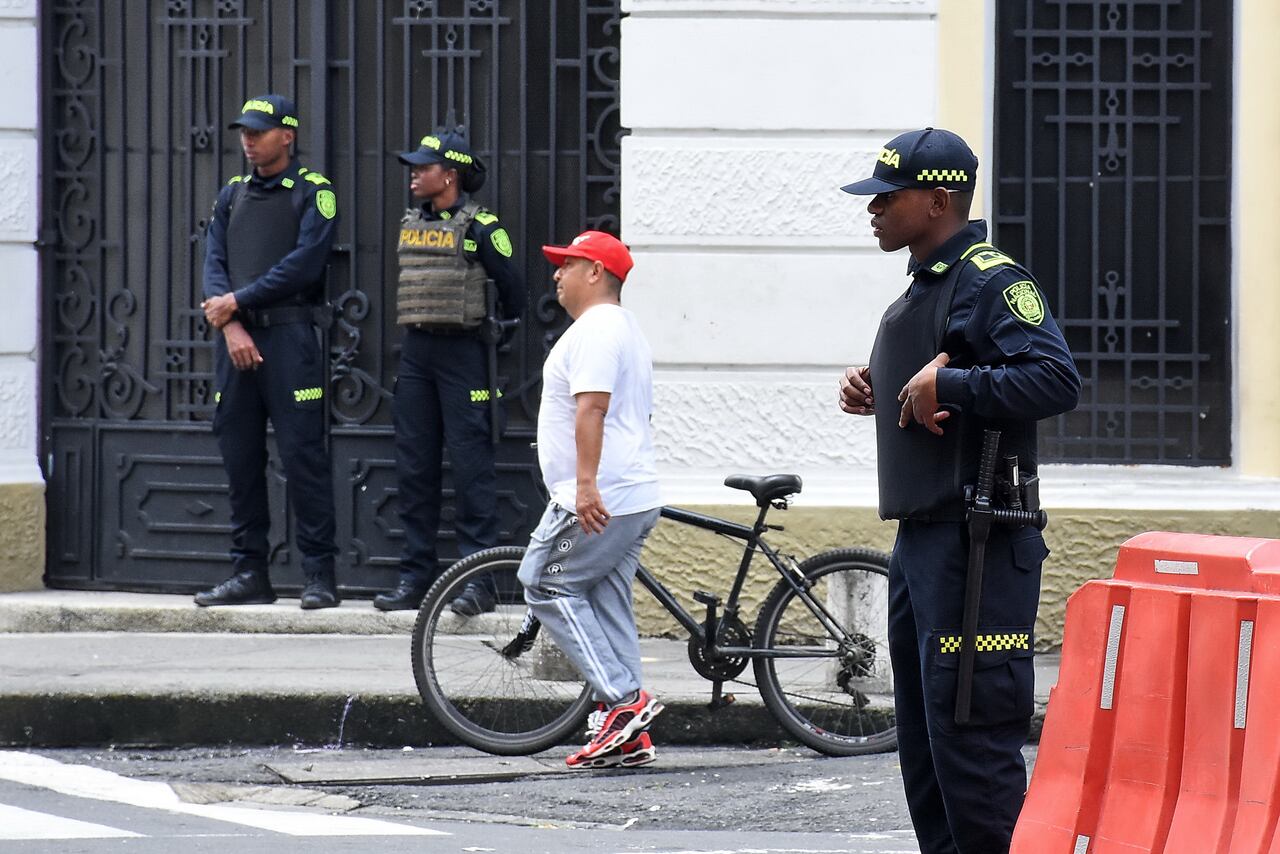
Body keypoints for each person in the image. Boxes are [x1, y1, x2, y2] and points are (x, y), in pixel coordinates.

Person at [837, 128, 1081, 853]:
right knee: (928, 751)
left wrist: (953, 382)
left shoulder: (990, 279)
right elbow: (936, 381)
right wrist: (878, 386)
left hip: (979, 547)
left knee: (972, 749)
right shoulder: (930, 284)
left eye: (888, 196)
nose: (872, 209)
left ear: (939, 199)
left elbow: (1055, 379)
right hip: (926, 541)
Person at [517, 231, 664, 769]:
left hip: (604, 495)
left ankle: (625, 704)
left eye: (568, 264)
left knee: (544, 581)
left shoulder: (599, 329)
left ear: (597, 273)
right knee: (604, 599)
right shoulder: (621, 329)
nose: (557, 274)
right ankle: (628, 736)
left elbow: (592, 409)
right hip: (629, 492)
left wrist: (584, 485)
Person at [373, 129, 527, 613]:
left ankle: (477, 584)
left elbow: (514, 290)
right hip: (418, 352)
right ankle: (414, 579)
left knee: (471, 469)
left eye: (423, 166)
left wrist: (498, 335)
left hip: (464, 354)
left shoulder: (483, 227)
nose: (415, 174)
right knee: (415, 468)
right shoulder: (412, 222)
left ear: (451, 175)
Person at [197, 94, 340, 609]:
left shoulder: (313, 192)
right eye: (244, 131)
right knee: (240, 457)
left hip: (290, 340)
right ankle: (249, 572)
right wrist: (231, 321)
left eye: (259, 131)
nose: (249, 140)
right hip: (236, 343)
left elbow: (304, 265)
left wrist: (238, 300)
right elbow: (213, 259)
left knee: (303, 457)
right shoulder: (231, 194)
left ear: (288, 135)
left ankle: (319, 575)